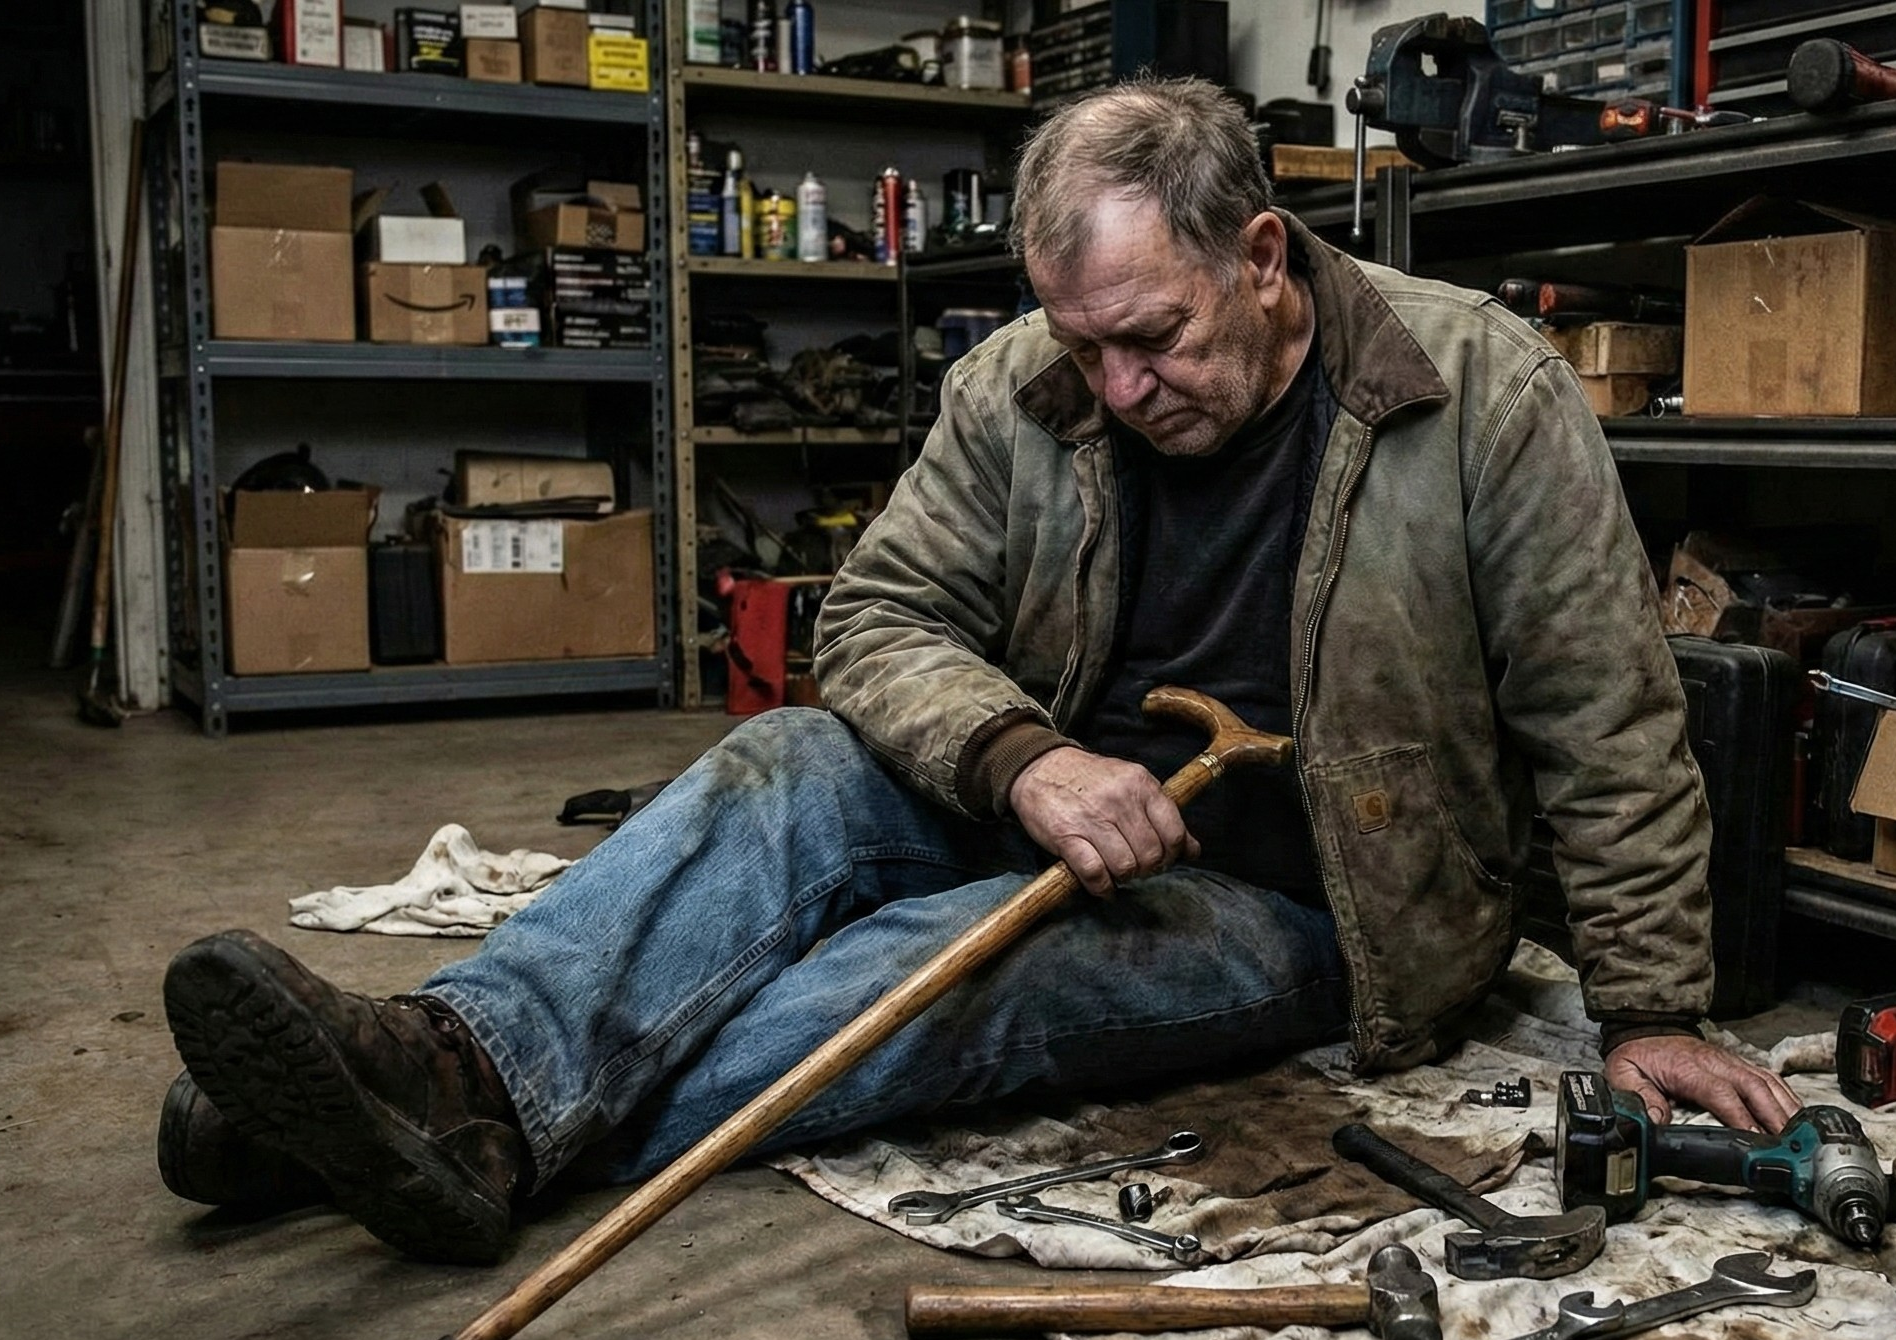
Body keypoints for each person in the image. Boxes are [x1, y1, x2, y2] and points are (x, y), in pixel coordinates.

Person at [160, 79, 1799, 1265]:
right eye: (1082, 341)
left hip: (1311, 904)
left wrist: (1650, 1003)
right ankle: (453, 1070)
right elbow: (870, 622)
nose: (1119, 383)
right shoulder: (1030, 380)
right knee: (779, 766)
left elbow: (1609, 719)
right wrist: (1025, 763)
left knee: (930, 971)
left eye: (1153, 334)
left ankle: (416, 1129)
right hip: (1047, 801)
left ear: (1266, 255)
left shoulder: (1483, 394)